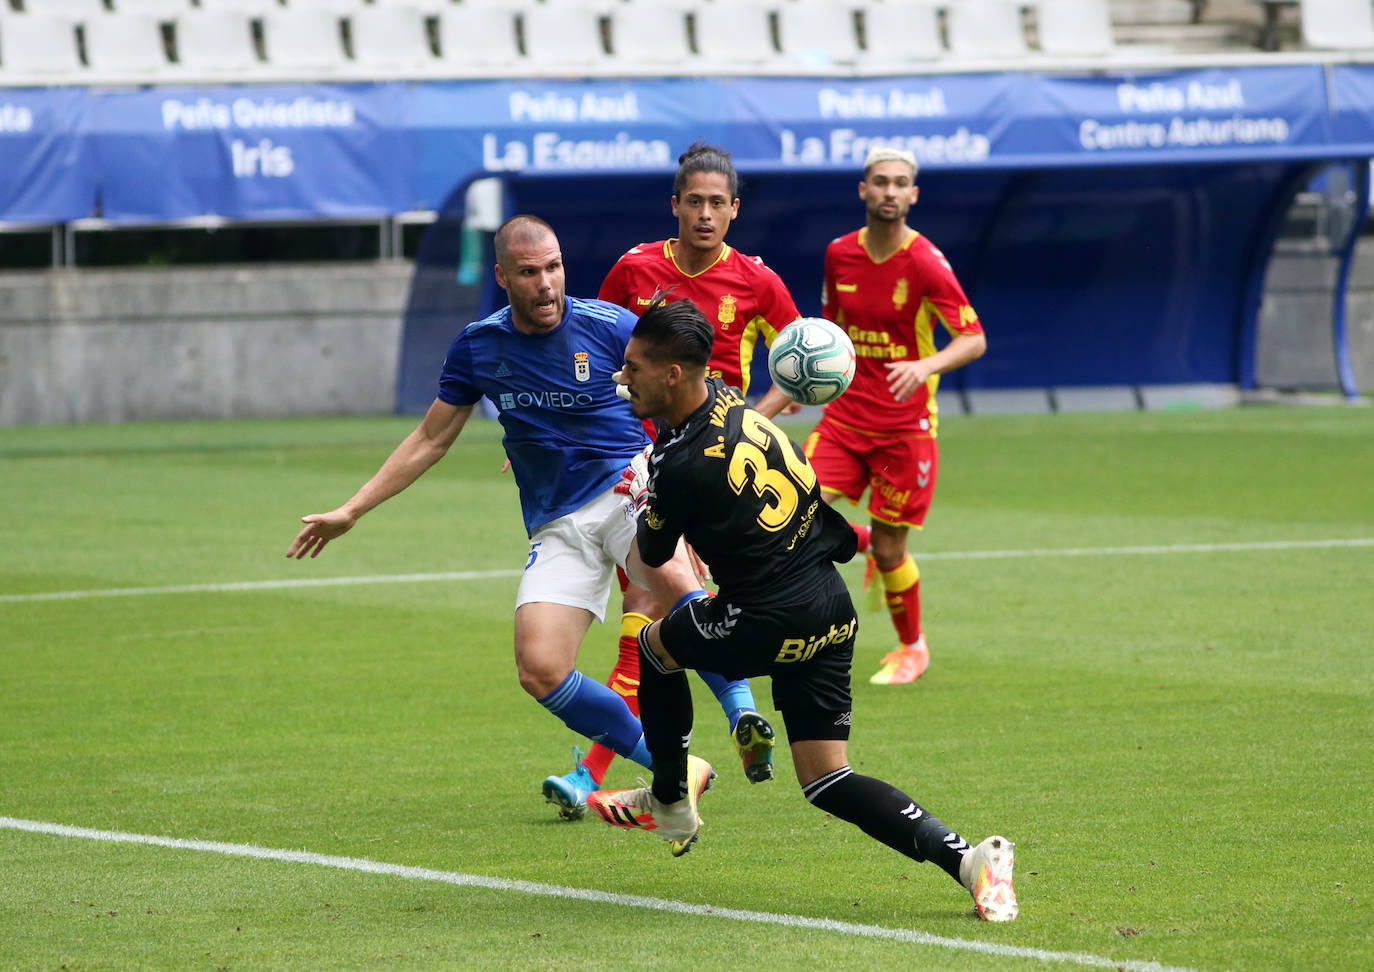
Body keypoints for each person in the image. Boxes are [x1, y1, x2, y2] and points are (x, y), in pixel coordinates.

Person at [286, 215, 763, 817]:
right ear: (503, 278)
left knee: (670, 581)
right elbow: (430, 439)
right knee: (539, 668)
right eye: (531, 273)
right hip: (556, 523)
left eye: (555, 267)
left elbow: (690, 394)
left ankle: (744, 713)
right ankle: (673, 766)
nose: (547, 285)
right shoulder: (480, 346)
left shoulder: (611, 326)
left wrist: (690, 491)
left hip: (628, 489)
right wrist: (352, 509)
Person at [586, 297, 1017, 922]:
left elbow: (652, 556)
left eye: (632, 367)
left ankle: (672, 799)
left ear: (673, 374)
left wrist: (643, 490)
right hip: (829, 608)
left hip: (766, 616)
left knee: (656, 646)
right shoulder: (734, 402)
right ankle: (969, 861)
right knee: (826, 779)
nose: (623, 377)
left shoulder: (678, 466)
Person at [543, 141, 807, 807]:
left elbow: (798, 365)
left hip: (703, 472)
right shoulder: (635, 269)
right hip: (634, 464)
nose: (706, 214)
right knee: (651, 607)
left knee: (653, 605)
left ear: (735, 209)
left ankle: (603, 771)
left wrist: (746, 421)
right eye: (696, 201)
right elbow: (594, 351)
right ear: (676, 206)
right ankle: (730, 717)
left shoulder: (757, 280)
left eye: (719, 203)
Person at [804, 146, 987, 686]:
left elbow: (973, 339)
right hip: (843, 418)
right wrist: (805, 381)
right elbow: (831, 327)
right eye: (880, 181)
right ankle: (854, 542)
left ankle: (912, 648)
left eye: (899, 183)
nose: (889, 190)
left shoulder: (927, 262)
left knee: (890, 549)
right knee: (792, 506)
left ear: (913, 195)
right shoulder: (839, 253)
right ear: (863, 190)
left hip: (905, 429)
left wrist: (926, 364)